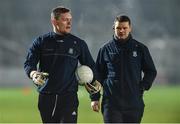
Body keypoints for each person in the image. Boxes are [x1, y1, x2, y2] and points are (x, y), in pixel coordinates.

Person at [24, 6, 99, 123]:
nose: (69, 23)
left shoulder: (78, 44)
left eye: (70, 19)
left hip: (69, 98)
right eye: (65, 20)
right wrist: (33, 74)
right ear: (54, 21)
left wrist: (95, 97)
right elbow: (29, 63)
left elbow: (92, 68)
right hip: (46, 97)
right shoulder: (41, 42)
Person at [91, 15, 157, 123]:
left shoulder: (140, 48)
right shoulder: (105, 49)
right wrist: (94, 98)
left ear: (130, 28)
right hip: (111, 104)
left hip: (134, 103)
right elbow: (97, 75)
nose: (121, 31)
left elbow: (151, 71)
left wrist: (143, 86)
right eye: (118, 28)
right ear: (114, 28)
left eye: (124, 28)